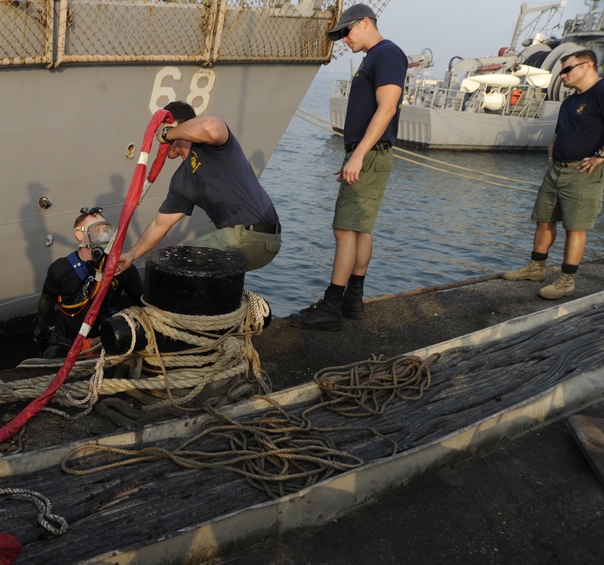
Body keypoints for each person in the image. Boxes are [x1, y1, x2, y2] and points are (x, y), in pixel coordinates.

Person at [288, 4, 406, 332]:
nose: (343, 39)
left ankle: (330, 307)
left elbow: (387, 108)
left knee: (344, 230)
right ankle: (353, 301)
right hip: (368, 153)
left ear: (365, 23)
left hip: (368, 154)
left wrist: (358, 156)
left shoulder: (387, 54)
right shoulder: (377, 56)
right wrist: (355, 153)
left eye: (346, 32)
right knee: (360, 228)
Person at [115, 101, 282, 275]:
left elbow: (210, 126)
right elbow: (159, 226)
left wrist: (167, 132)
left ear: (173, 126)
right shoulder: (181, 181)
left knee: (177, 261)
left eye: (161, 129)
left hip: (255, 237)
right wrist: (131, 256)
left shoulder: (212, 146)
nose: (159, 138)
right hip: (242, 243)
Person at [502, 49, 604, 299]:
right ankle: (536, 268)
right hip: (556, 168)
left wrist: (601, 154)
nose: (563, 75)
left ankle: (566, 280)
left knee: (575, 228)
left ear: (588, 65)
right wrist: (552, 148)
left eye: (567, 69)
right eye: (562, 71)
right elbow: (560, 130)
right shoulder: (570, 101)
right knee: (544, 219)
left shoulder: (601, 92)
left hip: (583, 172)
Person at [35, 208, 144, 358]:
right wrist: (42, 330)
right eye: (96, 229)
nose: (104, 234)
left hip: (105, 338)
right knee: (51, 366)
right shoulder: (60, 268)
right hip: (67, 339)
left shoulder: (121, 268)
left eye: (106, 229)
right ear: (79, 235)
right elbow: (46, 300)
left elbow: (141, 299)